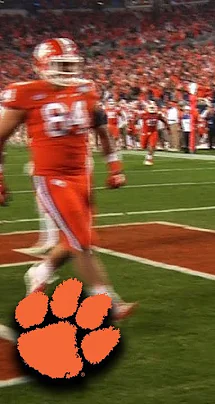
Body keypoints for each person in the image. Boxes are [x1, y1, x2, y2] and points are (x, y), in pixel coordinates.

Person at [0, 38, 136, 320]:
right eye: (59, 65)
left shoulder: (85, 90)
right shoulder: (25, 93)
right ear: (42, 66)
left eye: (69, 65)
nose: (65, 71)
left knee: (74, 237)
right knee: (83, 242)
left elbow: (102, 130)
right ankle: (107, 300)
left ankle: (40, 272)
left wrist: (115, 166)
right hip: (52, 178)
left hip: (81, 175)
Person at [140, 101, 168, 165]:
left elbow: (163, 120)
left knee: (152, 145)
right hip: (145, 132)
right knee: (143, 147)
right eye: (151, 108)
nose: (152, 109)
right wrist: (133, 125)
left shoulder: (157, 115)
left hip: (153, 132)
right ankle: (148, 154)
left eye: (153, 108)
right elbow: (136, 119)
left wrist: (167, 126)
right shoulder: (144, 114)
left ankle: (149, 158)